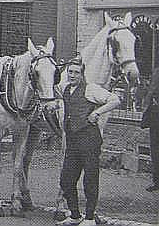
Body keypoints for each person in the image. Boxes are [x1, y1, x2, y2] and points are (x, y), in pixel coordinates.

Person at [57, 57, 120, 226]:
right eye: (70, 72)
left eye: (76, 72)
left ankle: (90, 218)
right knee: (66, 180)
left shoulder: (91, 89)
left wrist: (98, 113)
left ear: (82, 74)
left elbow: (115, 100)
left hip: (89, 139)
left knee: (90, 179)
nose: (72, 75)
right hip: (73, 140)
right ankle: (75, 215)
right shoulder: (65, 89)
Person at [142, 67, 159, 192]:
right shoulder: (157, 71)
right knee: (155, 149)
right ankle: (157, 181)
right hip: (156, 114)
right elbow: (151, 92)